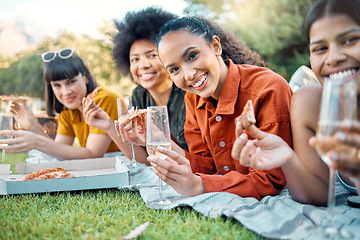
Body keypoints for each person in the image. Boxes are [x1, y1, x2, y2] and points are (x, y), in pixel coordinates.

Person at [123, 16, 293, 199]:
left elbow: (271, 180)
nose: (188, 75)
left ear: (215, 46)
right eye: (174, 70)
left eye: (192, 56)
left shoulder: (268, 89)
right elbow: (207, 166)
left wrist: (200, 186)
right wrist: (158, 139)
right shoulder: (193, 99)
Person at [232, 0, 360, 204]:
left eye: (349, 40)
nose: (333, 58)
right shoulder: (309, 103)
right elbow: (318, 195)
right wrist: (288, 158)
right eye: (320, 48)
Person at [84, 7, 188, 164]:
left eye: (152, 55)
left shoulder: (188, 93)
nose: (143, 65)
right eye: (135, 59)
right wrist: (109, 127)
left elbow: (197, 162)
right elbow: (143, 159)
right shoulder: (139, 96)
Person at [0, 48, 128, 160]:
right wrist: (33, 126)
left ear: (86, 77)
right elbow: (60, 151)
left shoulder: (104, 99)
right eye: (57, 85)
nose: (66, 92)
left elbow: (93, 153)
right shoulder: (68, 110)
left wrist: (37, 142)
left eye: (71, 81)